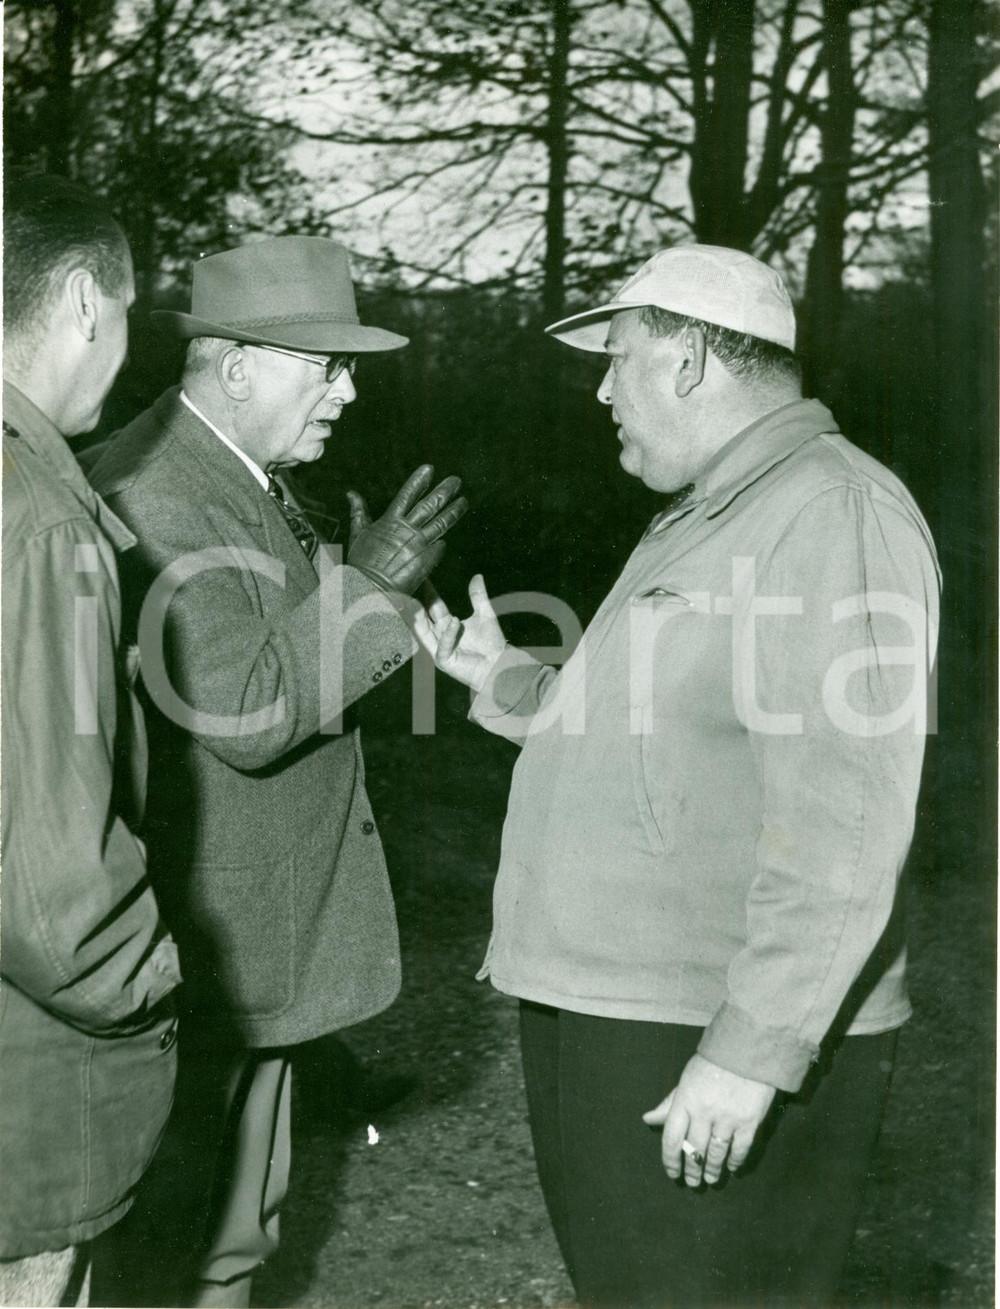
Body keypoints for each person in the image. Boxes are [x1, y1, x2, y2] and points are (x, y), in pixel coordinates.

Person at [416, 244, 940, 1307]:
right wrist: (506, 680)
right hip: (621, 1005)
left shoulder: (831, 512)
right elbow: (663, 733)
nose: (603, 391)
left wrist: (751, 1049)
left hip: (701, 1015)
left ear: (690, 360)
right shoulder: (714, 511)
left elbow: (845, 820)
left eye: (618, 360)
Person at [88, 235, 466, 1308]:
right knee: (180, 1244)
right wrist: (370, 590)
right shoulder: (159, 493)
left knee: (232, 1229)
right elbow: (246, 710)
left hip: (244, 946)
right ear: (239, 366)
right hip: (207, 948)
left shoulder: (220, 472)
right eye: (328, 366)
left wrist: (341, 587)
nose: (348, 392)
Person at [0, 173, 182, 1308]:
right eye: (125, 312)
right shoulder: (41, 516)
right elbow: (49, 871)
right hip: (25, 1078)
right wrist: (145, 977)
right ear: (80, 300)